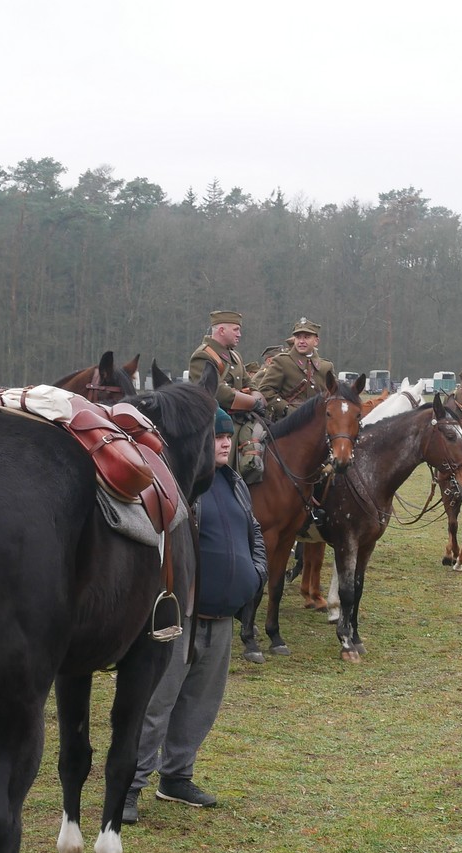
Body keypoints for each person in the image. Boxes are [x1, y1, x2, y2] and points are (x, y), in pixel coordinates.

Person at [126, 407, 266, 823]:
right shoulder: (180, 484)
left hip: (222, 616)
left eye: (226, 437)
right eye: (215, 437)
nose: (224, 442)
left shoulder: (236, 481)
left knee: (201, 704)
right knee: (157, 703)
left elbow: (253, 531)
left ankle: (176, 777)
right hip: (180, 617)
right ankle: (129, 785)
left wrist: (256, 574)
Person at [188, 310, 266, 479]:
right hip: (216, 424)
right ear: (221, 330)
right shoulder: (203, 355)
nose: (240, 334)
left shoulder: (235, 357)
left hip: (241, 419)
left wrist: (257, 397)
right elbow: (218, 392)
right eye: (235, 330)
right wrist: (253, 403)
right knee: (223, 469)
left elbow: (250, 383)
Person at [252, 318, 336, 421]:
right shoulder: (282, 362)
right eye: (298, 337)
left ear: (316, 341)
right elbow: (266, 390)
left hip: (318, 421)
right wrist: (287, 409)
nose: (301, 341)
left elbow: (335, 394)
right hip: (287, 422)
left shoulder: (326, 367)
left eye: (306, 337)